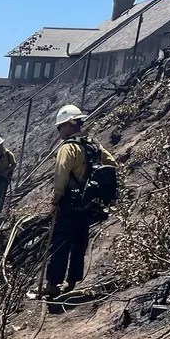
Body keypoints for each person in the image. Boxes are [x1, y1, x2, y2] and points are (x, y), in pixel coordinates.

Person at [45, 105, 118, 299]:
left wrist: (56, 200)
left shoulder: (68, 148)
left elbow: (61, 175)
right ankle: (72, 281)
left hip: (70, 201)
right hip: (88, 203)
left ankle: (53, 285)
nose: (59, 131)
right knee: (80, 240)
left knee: (61, 241)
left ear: (70, 124)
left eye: (60, 127)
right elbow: (112, 164)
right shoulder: (94, 145)